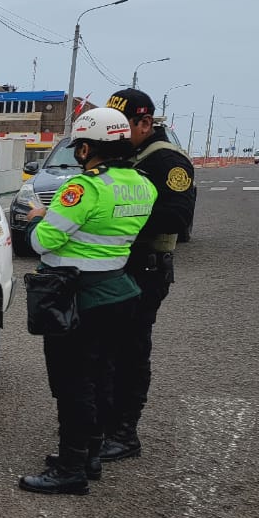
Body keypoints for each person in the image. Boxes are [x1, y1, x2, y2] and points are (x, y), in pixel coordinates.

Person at [17, 107, 156, 495]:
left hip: (77, 297)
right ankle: (91, 455)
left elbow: (43, 242)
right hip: (119, 291)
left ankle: (71, 468)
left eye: (80, 145)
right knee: (101, 378)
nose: (79, 152)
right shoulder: (141, 183)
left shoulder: (84, 187)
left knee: (73, 383)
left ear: (86, 149)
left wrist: (38, 218)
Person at [94, 87, 197, 463]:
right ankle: (104, 422)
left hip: (146, 270)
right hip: (115, 268)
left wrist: (119, 219)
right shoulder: (126, 154)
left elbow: (177, 217)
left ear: (145, 122)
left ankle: (125, 433)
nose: (117, 132)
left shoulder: (166, 161)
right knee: (104, 350)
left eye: (123, 125)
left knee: (130, 351)